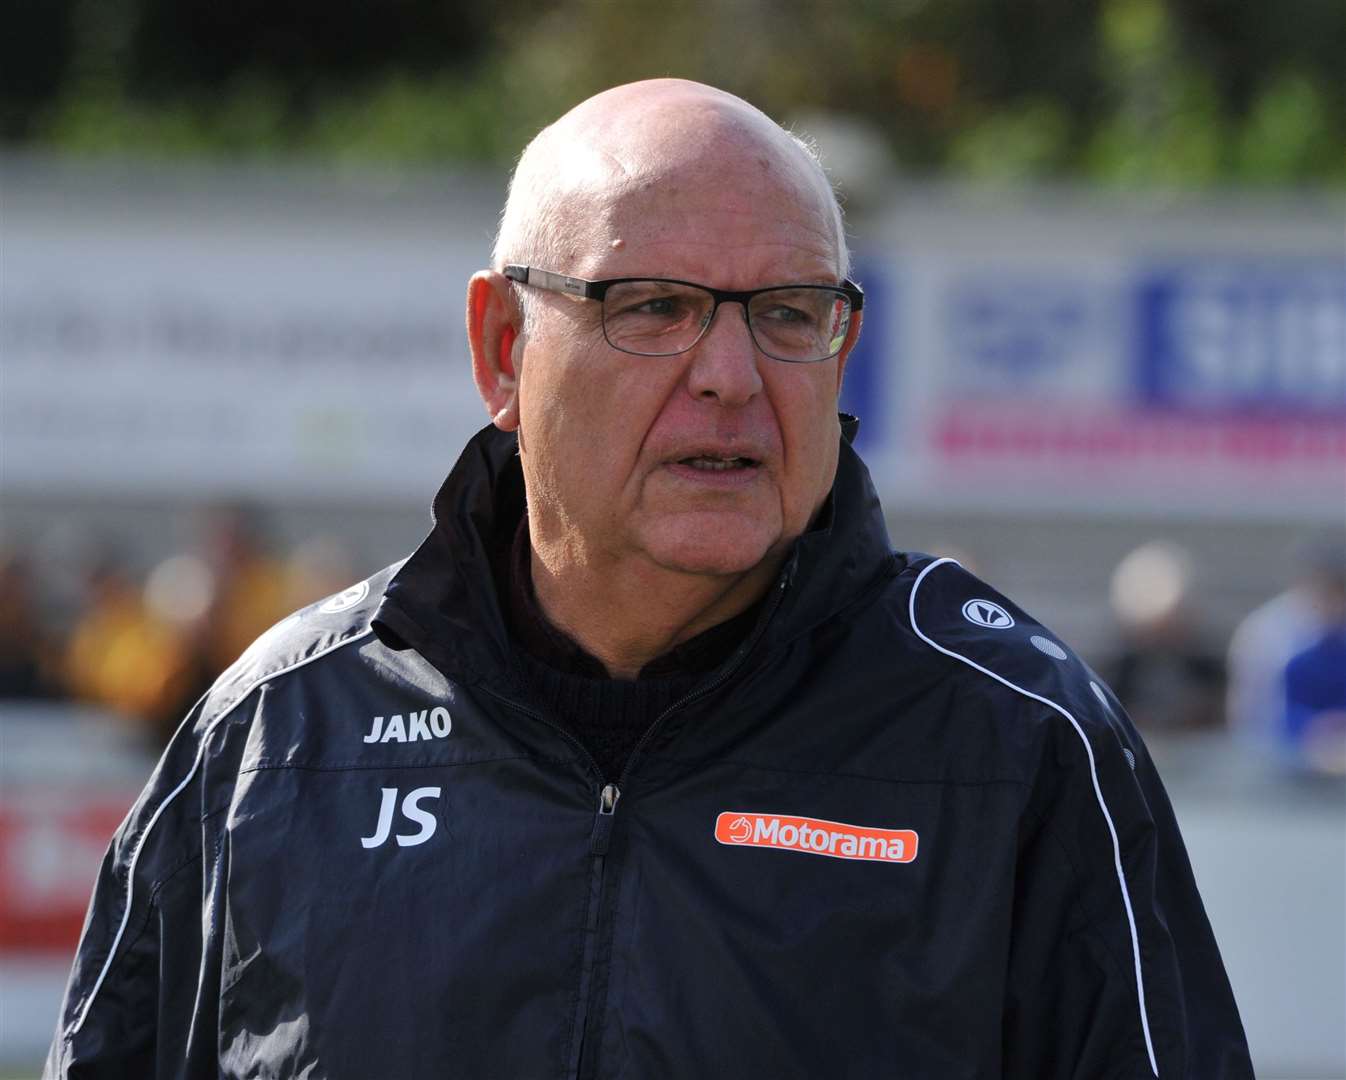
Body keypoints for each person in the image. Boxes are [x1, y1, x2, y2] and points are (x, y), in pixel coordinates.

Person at [46, 80, 1252, 1079]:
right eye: (653, 307)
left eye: (787, 313)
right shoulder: (275, 737)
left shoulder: (1013, 741)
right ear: (504, 349)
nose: (730, 372)